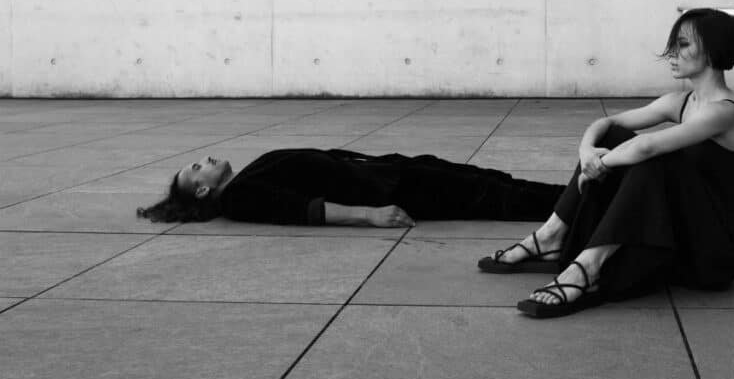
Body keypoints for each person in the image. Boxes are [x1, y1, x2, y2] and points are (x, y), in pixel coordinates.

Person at [479, 8, 734, 319]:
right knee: (613, 136)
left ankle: (588, 267)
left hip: (717, 253)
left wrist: (601, 164)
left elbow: (648, 145)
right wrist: (588, 153)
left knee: (656, 159)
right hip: (688, 233)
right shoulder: (680, 102)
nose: (672, 54)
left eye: (683, 45)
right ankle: (551, 236)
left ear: (712, 50)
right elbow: (606, 123)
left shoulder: (725, 111)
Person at [137, 149, 563, 227]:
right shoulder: (240, 197)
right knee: (496, 196)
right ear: (202, 193)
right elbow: (304, 210)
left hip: (388, 171)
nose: (203, 161)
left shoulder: (243, 179)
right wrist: (370, 215)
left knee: (492, 182)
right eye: (196, 170)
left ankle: (580, 191)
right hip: (391, 190)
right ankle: (582, 198)